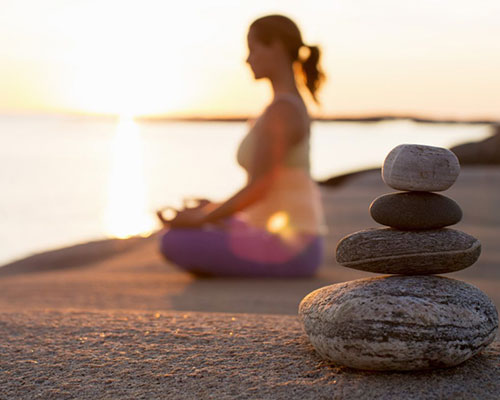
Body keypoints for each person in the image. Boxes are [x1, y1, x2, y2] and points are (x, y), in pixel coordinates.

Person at [157, 14, 326, 277]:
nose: (247, 59)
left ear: (277, 46)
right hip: (277, 233)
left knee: (173, 241)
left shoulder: (283, 110)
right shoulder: (284, 105)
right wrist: (212, 208)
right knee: (196, 223)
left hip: (291, 247)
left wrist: (201, 219)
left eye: (252, 49)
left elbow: (259, 187)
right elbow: (264, 190)